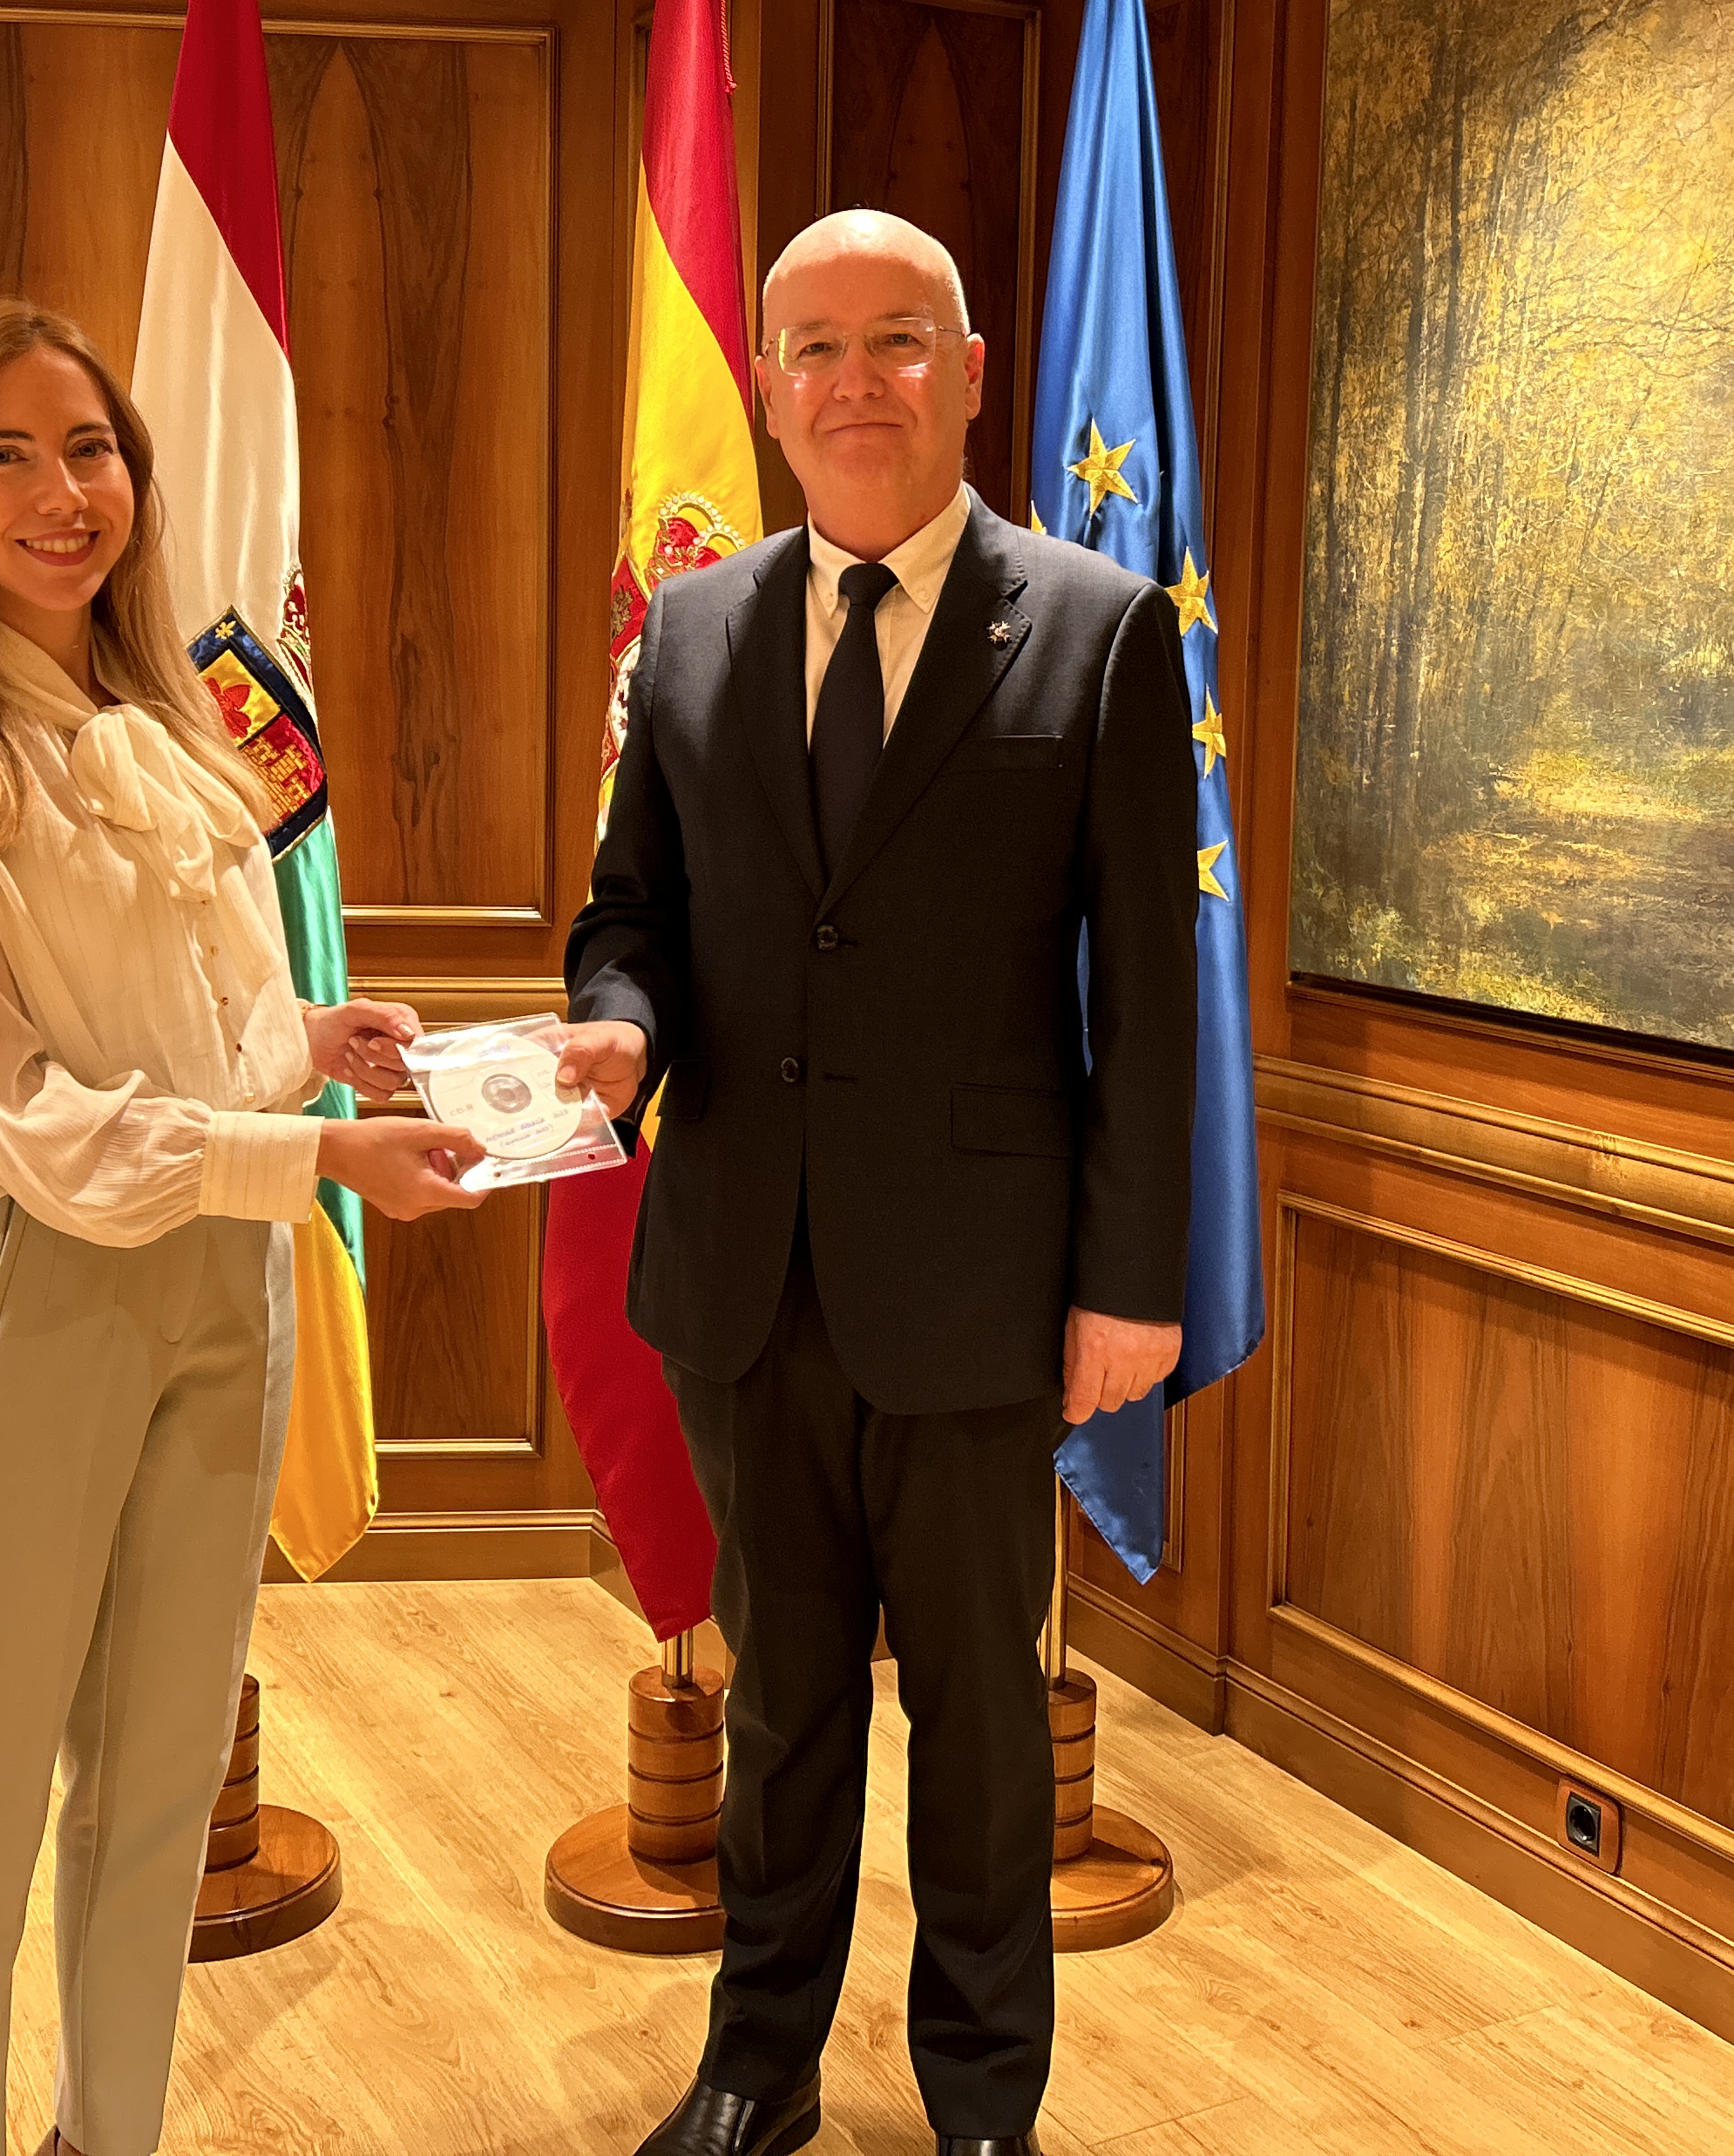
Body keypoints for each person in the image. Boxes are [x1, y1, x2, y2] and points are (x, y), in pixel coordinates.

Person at [0, 296, 484, 2156]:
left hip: (221, 1283)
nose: (62, 493)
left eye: (90, 448)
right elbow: (30, 1120)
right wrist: (321, 1162)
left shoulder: (168, 726)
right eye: (6, 456)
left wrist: (311, 1044)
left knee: (159, 1797)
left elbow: (185, 1031)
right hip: (20, 1304)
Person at [559, 211, 1199, 2156]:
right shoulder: (690, 630)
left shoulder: (1096, 628)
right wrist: (620, 1030)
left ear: (971, 373)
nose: (857, 380)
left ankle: (983, 2095)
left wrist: (1131, 1280)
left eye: (898, 339)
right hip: (744, 1278)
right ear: (765, 386)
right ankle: (758, 2066)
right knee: (786, 1705)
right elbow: (631, 916)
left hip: (983, 1291)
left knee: (985, 1722)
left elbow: (1148, 993)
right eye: (816, 346)